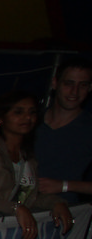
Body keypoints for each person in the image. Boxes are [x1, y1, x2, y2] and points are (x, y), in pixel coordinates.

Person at [0, 91, 73, 239]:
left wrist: (57, 203)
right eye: (18, 112)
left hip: (10, 234)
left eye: (32, 112)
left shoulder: (28, 156)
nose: (27, 117)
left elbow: (29, 197)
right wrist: (15, 208)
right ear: (0, 118)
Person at [36, 57, 92, 203]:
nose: (74, 92)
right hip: (22, 206)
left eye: (83, 85)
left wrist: (64, 185)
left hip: (65, 208)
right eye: (69, 83)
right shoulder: (31, 121)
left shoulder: (88, 127)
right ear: (55, 83)